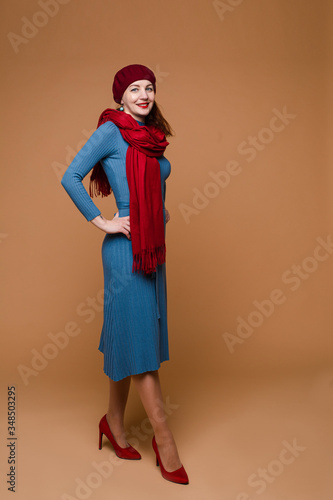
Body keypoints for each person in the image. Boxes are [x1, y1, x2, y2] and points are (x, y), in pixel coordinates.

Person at [61, 64, 189, 485]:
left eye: (150, 88)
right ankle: (164, 441)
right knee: (140, 343)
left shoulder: (151, 139)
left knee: (132, 334)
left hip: (153, 247)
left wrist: (159, 214)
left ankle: (113, 422)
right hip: (124, 251)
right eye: (135, 88)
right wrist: (104, 222)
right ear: (121, 96)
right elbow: (71, 176)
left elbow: (156, 187)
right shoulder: (112, 131)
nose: (144, 94)